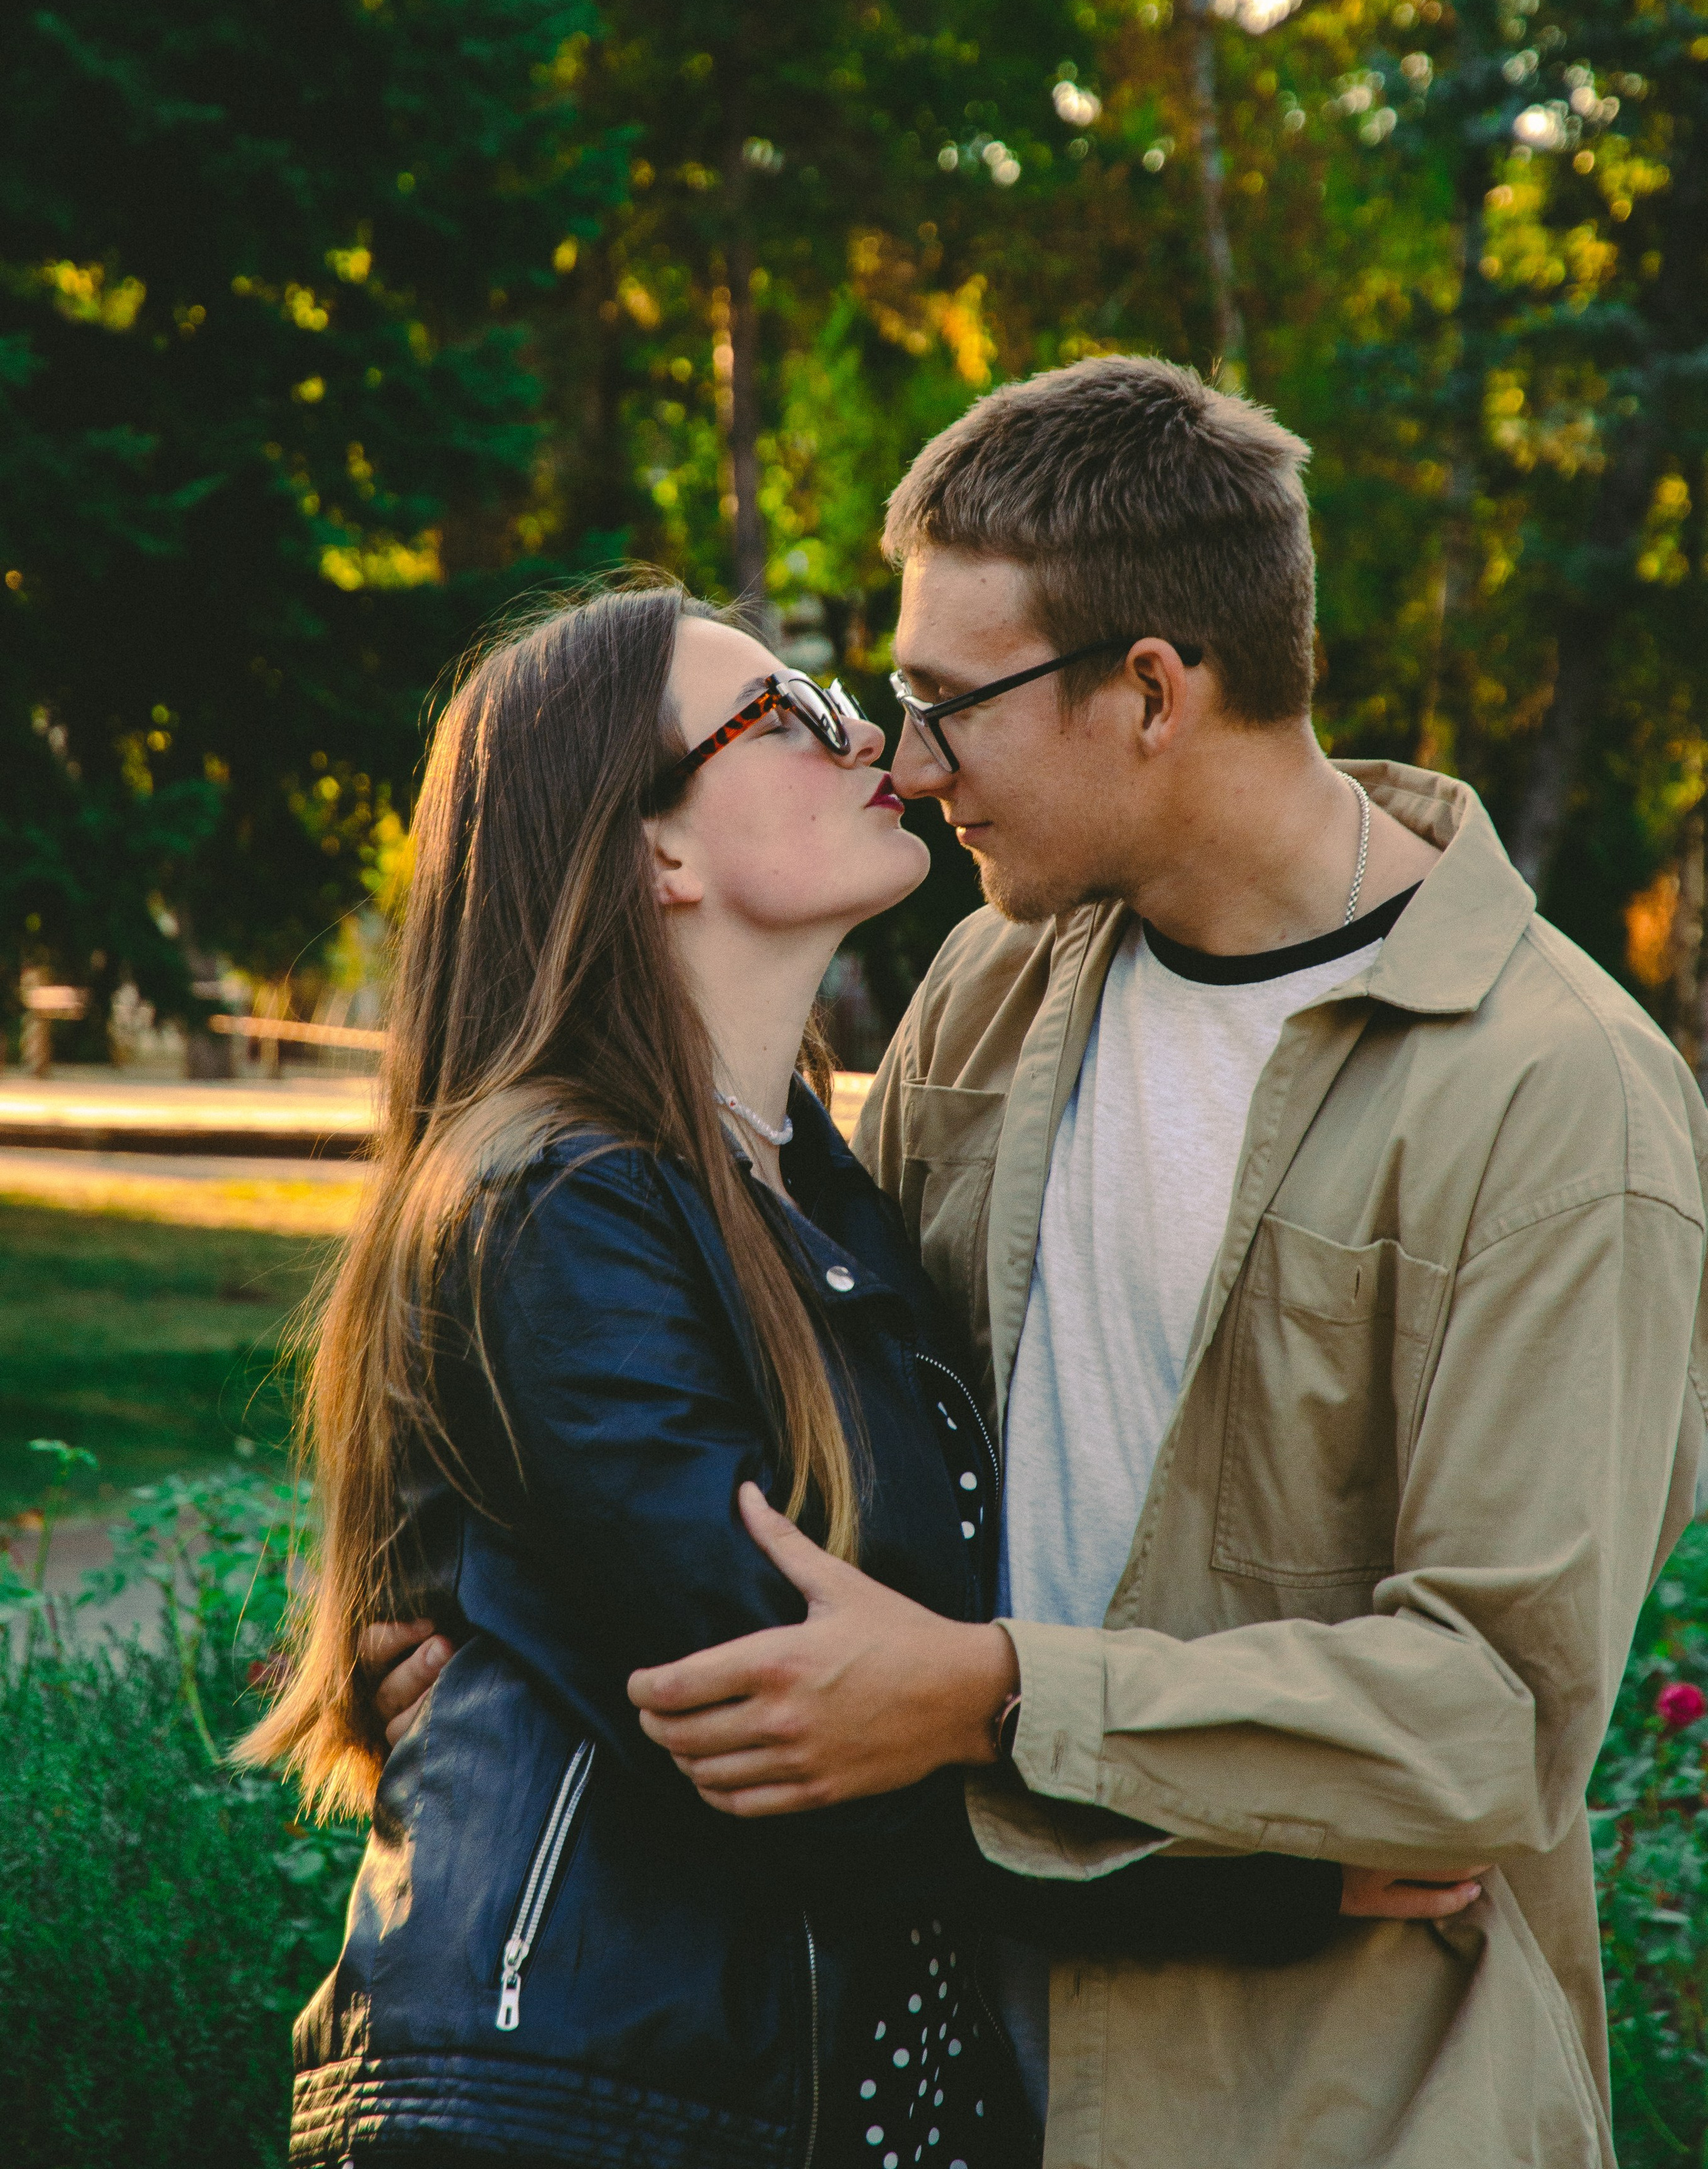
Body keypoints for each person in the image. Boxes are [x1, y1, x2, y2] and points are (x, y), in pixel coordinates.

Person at [501, 360, 1705, 2169]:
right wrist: (489, 1625)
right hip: (948, 2081)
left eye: (944, 706)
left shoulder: (1560, 1099)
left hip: (1342, 2108)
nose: (904, 766)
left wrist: (992, 1692)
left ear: (1151, 689)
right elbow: (794, 1400)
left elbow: (1494, 1720)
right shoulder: (1002, 982)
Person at [252, 582, 1450, 2169]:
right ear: (653, 853)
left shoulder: (820, 1196)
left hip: (797, 2094)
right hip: (589, 2111)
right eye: (786, 717)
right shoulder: (555, 1202)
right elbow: (795, 1731)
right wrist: (1265, 1871)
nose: (869, 738)